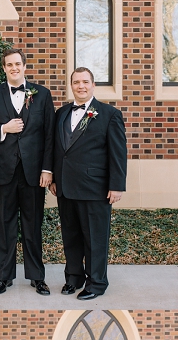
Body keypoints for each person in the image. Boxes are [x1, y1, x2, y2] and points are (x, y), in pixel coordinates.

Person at [0, 46, 55, 296]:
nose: (13, 68)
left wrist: (47, 169)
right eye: (9, 65)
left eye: (17, 64)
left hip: (33, 173)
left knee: (33, 226)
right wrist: (3, 128)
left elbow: (50, 135)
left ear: (24, 66)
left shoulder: (42, 94)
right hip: (4, 171)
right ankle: (4, 277)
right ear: (4, 68)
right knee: (5, 224)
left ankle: (37, 277)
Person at [50, 67, 127, 299]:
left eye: (85, 82)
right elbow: (57, 149)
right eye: (76, 82)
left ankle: (96, 283)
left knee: (95, 239)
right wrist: (54, 176)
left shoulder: (108, 114)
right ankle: (73, 278)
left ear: (93, 85)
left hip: (95, 188)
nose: (81, 86)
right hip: (65, 186)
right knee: (70, 237)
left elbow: (118, 153)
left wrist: (117, 185)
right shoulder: (61, 113)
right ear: (71, 86)